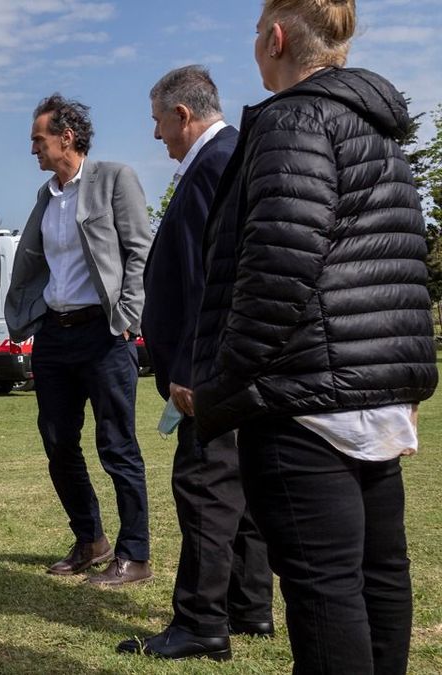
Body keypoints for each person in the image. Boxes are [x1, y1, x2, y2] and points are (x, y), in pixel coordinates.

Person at [193, 1, 437, 672]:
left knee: (326, 585)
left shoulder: (293, 118)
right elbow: (400, 263)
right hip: (370, 388)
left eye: (254, 34)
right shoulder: (376, 125)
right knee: (378, 573)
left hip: (304, 394)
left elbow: (279, 263)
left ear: (275, 37)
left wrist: (225, 379)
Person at [117, 66, 272, 661]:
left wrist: (190, 363)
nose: (156, 135)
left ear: (183, 115)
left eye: (158, 121)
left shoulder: (216, 163)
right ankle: (248, 606)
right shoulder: (229, 157)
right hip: (223, 360)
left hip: (207, 366)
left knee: (205, 485)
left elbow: (213, 276)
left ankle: (202, 622)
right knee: (239, 484)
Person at [5, 94, 152, 586]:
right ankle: (90, 538)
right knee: (57, 442)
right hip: (55, 336)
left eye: (37, 140)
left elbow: (139, 252)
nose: (32, 150)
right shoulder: (46, 197)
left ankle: (135, 555)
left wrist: (129, 315)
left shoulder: (114, 178)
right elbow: (36, 263)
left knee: (117, 445)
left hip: (104, 335)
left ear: (66, 138)